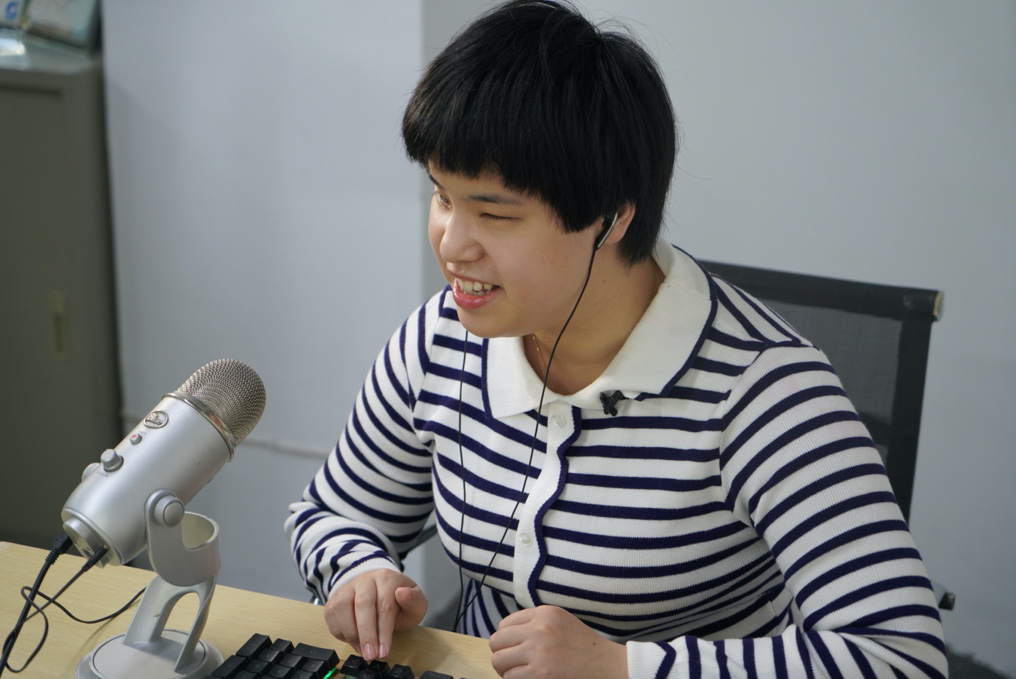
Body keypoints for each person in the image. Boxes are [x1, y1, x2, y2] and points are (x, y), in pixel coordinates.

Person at [285, 1, 947, 677]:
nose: (451, 244)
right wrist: (359, 570)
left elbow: (900, 656)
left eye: (494, 213)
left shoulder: (763, 391)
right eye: (443, 197)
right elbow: (334, 512)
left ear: (610, 217)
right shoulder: (441, 337)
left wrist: (623, 666)